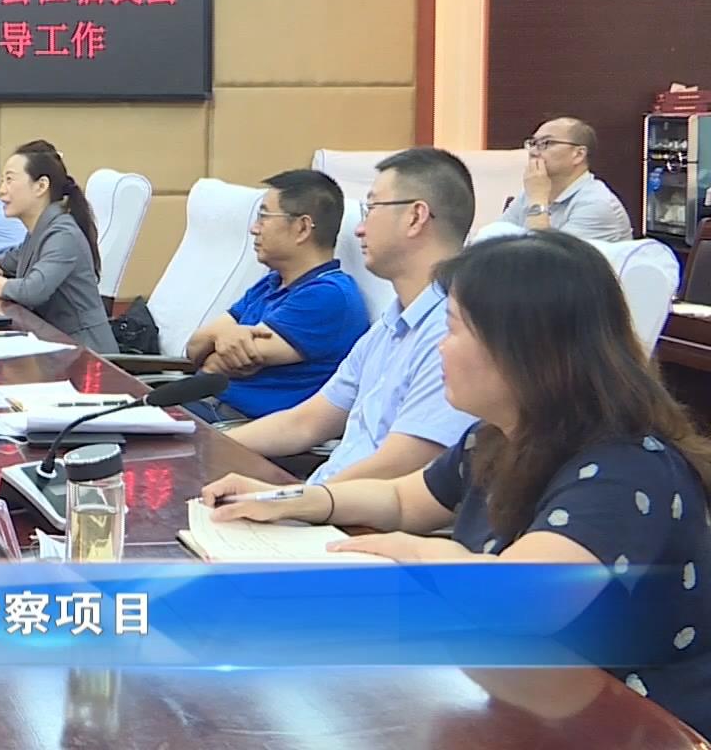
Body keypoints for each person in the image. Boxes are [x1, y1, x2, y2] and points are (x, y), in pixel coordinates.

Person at [205, 230, 711, 735]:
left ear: (523, 349)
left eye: (452, 329)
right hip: (526, 699)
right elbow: (402, 499)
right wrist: (295, 499)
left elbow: (519, 598)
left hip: (633, 726)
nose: (439, 348)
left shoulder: (625, 468)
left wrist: (414, 552)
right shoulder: (498, 436)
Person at [225, 148, 478, 483]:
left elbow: (399, 466)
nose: (359, 229)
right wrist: (205, 445)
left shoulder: (452, 335)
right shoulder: (389, 325)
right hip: (322, 497)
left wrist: (287, 501)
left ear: (415, 217)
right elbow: (305, 423)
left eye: (372, 208)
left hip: (345, 509)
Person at [184, 169, 371, 422]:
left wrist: (218, 340)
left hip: (237, 424)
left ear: (302, 228)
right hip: (202, 405)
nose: (254, 228)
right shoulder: (271, 283)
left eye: (264, 217)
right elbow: (194, 347)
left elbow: (220, 363)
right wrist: (220, 336)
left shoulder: (328, 296)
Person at [0, 144, 118, 352]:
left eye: (9, 180)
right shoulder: (38, 231)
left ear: (41, 186)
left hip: (87, 355)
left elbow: (32, 291)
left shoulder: (63, 234)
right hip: (55, 346)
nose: (1, 191)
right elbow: (6, 263)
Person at [500, 116, 633, 242]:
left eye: (546, 143)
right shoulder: (532, 193)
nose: (533, 152)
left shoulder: (597, 204)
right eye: (533, 143)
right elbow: (495, 240)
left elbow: (545, 255)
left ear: (578, 155)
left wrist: (538, 201)